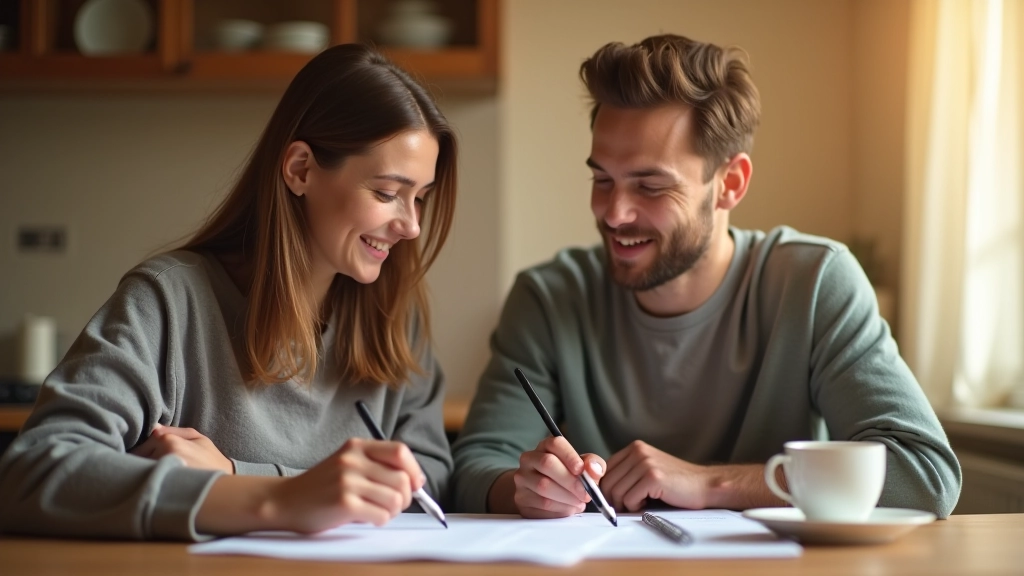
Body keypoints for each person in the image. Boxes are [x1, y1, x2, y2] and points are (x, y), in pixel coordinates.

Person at [451, 34, 961, 519]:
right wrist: (525, 489)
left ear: (729, 183)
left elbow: (925, 474)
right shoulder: (548, 297)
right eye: (602, 179)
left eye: (650, 186)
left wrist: (711, 484)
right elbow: (475, 466)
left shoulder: (812, 284)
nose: (614, 213)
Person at [0, 44, 458, 540]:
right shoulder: (169, 301)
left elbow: (430, 482)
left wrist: (241, 475)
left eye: (420, 198)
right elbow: (34, 470)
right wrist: (280, 499)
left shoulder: (395, 316)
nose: (412, 226)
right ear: (300, 169)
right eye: (387, 194)